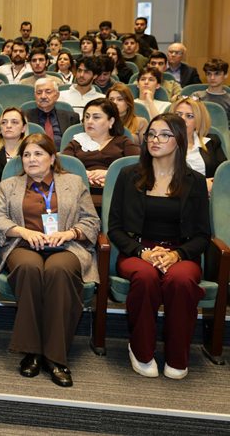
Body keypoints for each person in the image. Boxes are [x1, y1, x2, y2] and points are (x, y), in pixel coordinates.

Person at [0, 133, 100, 387]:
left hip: (66, 247)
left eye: (38, 154)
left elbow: (92, 221)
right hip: (24, 246)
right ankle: (33, 351)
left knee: (58, 271)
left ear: (52, 158)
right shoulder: (10, 185)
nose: (31, 159)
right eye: (26, 155)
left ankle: (55, 357)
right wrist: (22, 231)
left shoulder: (73, 183)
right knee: (29, 268)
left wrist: (70, 233)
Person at [108, 114, 209, 380]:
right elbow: (115, 228)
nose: (155, 139)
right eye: (152, 134)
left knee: (181, 280)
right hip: (138, 250)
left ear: (179, 140)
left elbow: (202, 235)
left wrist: (177, 254)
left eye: (164, 135)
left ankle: (177, 356)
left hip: (180, 252)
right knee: (146, 277)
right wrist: (143, 252)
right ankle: (140, 350)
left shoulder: (195, 181)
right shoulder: (128, 175)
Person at [63, 98, 140, 190]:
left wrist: (109, 174)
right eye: (87, 117)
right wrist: (84, 174)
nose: (89, 121)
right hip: (80, 190)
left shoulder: (123, 142)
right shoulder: (76, 142)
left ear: (111, 121)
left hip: (116, 190)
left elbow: (138, 166)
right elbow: (62, 166)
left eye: (96, 117)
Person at [171, 96, 226, 193]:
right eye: (178, 115)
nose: (182, 119)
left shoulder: (211, 141)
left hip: (210, 196)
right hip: (177, 195)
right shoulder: (164, 143)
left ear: (198, 121)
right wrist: (201, 185)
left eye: (189, 116)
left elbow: (224, 174)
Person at [24, 78, 80, 150]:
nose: (43, 96)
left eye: (48, 92)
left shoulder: (71, 118)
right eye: (39, 93)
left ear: (57, 95)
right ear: (35, 96)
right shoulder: (24, 117)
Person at [194, 58, 230, 122]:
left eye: (217, 74)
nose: (212, 78)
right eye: (209, 74)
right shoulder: (196, 96)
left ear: (225, 75)